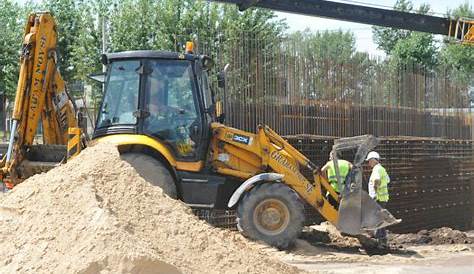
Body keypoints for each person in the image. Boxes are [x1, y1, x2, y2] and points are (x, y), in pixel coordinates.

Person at [366, 151, 390, 247]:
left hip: (378, 198)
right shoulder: (382, 169)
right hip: (383, 198)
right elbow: (387, 180)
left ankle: (381, 241)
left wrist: (375, 193)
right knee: (380, 219)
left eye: (369, 161)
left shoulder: (376, 169)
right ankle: (381, 239)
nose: (368, 163)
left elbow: (376, 180)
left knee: (379, 220)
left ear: (373, 160)